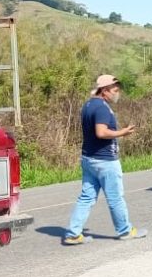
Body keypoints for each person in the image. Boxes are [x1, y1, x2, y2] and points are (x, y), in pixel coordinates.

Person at [62, 75, 147, 244]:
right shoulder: (101, 107)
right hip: (105, 161)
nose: (117, 94)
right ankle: (125, 231)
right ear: (105, 90)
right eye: (115, 90)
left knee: (86, 197)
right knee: (115, 197)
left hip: (89, 159)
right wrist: (122, 132)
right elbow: (101, 132)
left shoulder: (88, 105)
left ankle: (73, 233)